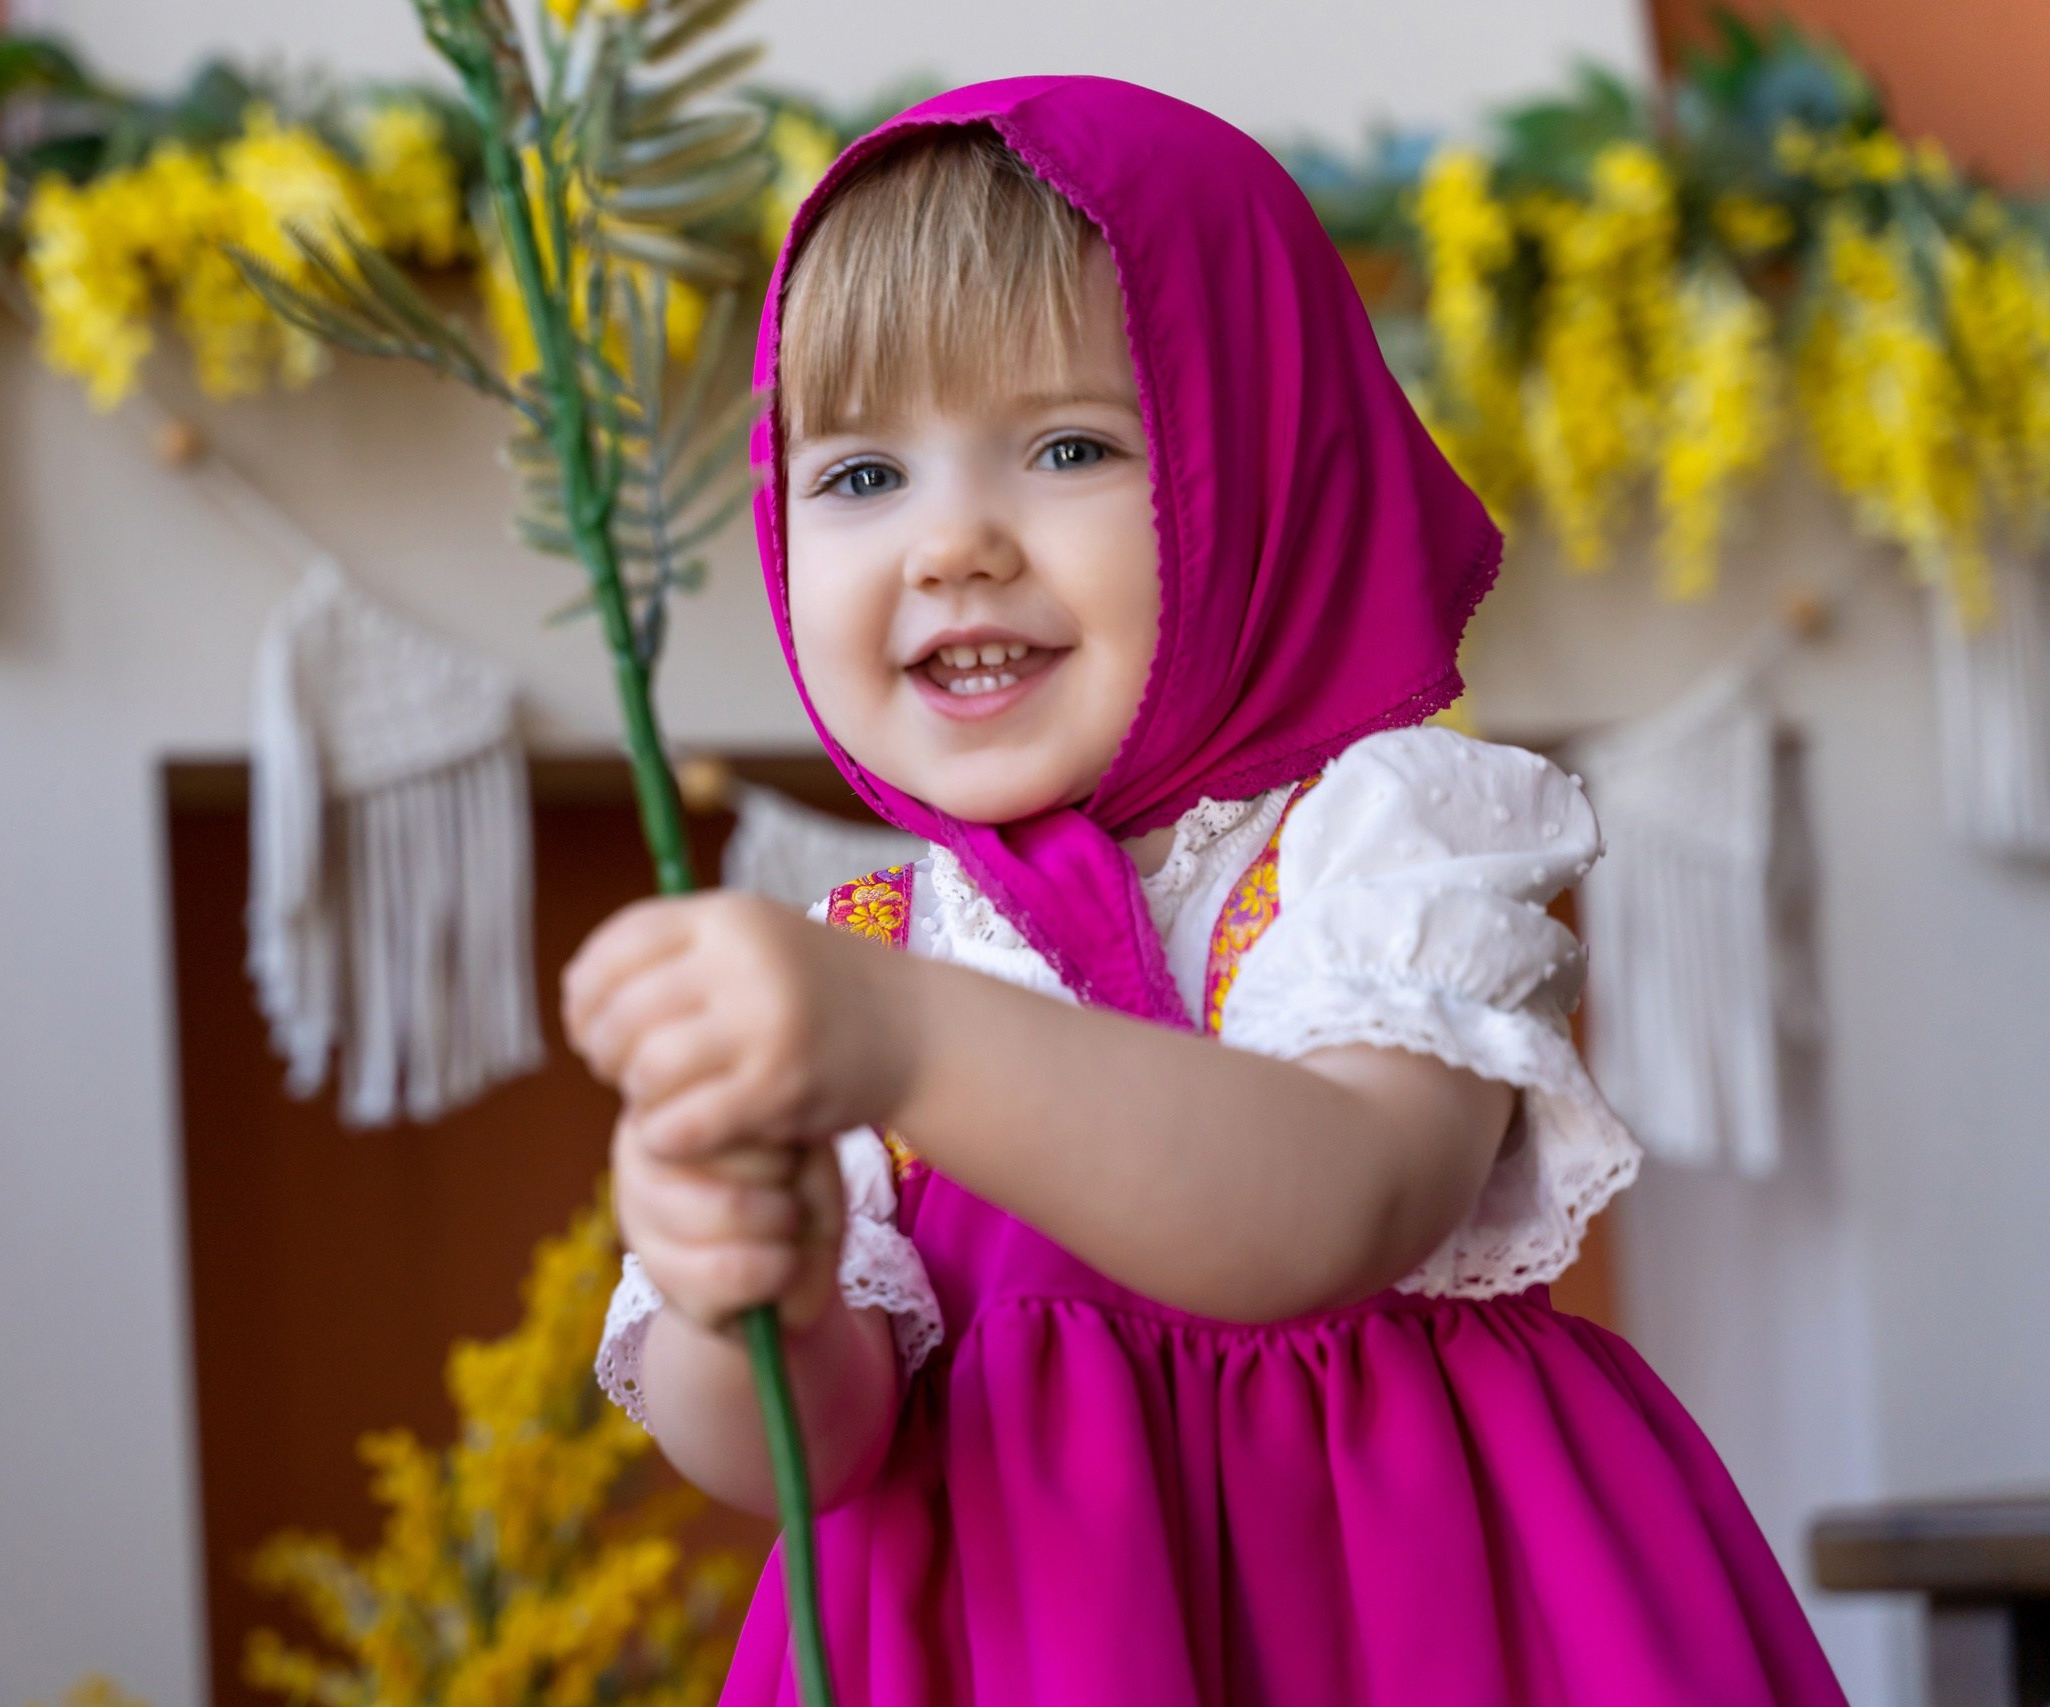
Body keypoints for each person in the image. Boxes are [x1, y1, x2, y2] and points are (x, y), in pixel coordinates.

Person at [562, 77, 1845, 1705]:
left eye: (1070, 446)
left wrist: (898, 1045)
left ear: (1264, 477)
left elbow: (1324, 1212)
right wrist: (737, 1283)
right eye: (863, 475)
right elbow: (804, 1463)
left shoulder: (1383, 841)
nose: (950, 544)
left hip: (1407, 1638)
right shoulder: (866, 957)